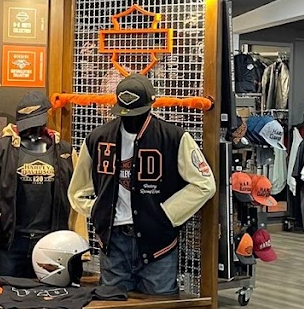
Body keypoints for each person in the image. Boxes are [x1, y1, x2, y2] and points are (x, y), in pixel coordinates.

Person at [69, 74, 216, 297]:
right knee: (112, 308)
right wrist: (98, 210)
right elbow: (77, 191)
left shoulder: (174, 137)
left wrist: (167, 214)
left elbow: (204, 184)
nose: (131, 119)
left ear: (150, 105)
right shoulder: (97, 138)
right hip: (113, 242)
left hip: (158, 243)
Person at [0, 90, 82, 277]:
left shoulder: (65, 152)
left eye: (35, 125)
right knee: (6, 291)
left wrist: (78, 240)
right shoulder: (1, 149)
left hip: (54, 243)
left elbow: (76, 198)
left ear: (45, 119)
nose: (31, 131)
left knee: (52, 294)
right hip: (12, 244)